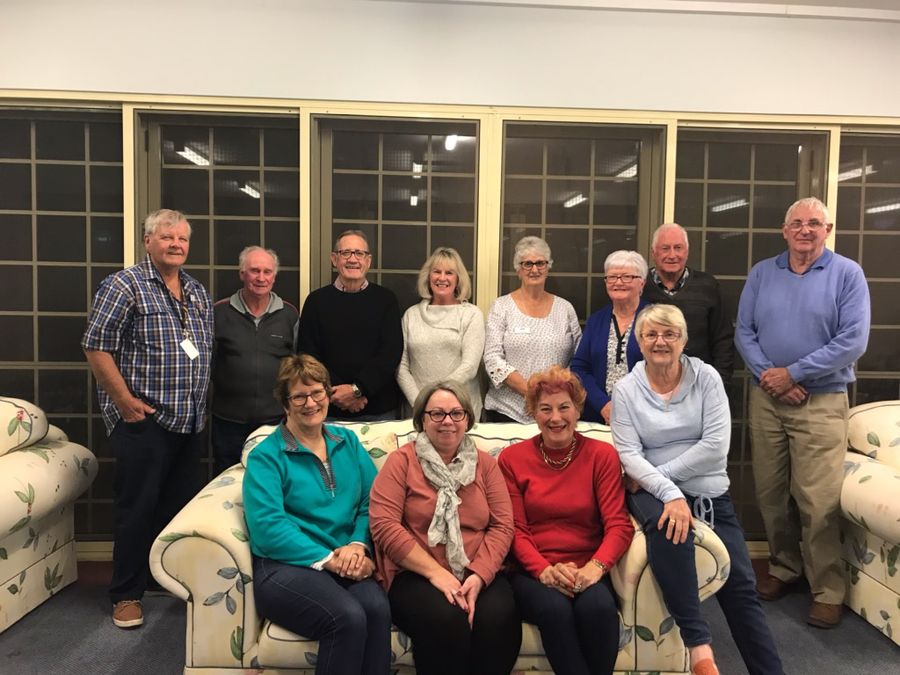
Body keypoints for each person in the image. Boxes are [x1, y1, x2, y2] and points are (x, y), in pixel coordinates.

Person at [611, 304, 783, 675]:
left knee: (741, 585)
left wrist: (662, 475)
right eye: (651, 334)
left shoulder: (706, 378)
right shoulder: (626, 389)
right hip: (652, 495)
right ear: (639, 342)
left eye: (670, 334)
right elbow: (628, 453)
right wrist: (669, 493)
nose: (660, 341)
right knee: (672, 530)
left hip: (706, 492)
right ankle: (700, 649)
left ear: (683, 340)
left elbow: (715, 446)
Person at [735, 196, 870, 629]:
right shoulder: (762, 273)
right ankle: (782, 568)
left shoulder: (847, 274)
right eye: (798, 223)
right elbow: (744, 331)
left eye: (815, 223)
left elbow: (853, 341)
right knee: (771, 494)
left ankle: (827, 589)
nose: (805, 230)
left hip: (822, 400)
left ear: (828, 230)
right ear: (784, 229)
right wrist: (769, 376)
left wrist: (793, 373)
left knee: (818, 501)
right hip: (767, 398)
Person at [82, 208, 213, 629]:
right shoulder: (124, 285)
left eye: (183, 239)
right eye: (167, 237)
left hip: (189, 422)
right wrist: (123, 401)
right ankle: (126, 594)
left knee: (177, 509)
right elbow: (96, 346)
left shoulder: (195, 290)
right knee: (136, 507)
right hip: (144, 420)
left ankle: (165, 581)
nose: (176, 245)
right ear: (148, 241)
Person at [242, 354, 391, 675]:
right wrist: (328, 559)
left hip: (347, 556)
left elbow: (373, 502)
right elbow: (269, 527)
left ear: (328, 394)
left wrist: (357, 545)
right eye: (299, 396)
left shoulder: (347, 441)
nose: (310, 403)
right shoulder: (266, 457)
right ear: (285, 403)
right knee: (347, 617)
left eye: (317, 393)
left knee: (377, 609)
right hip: (285, 567)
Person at [369, 382, 521, 675]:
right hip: (415, 574)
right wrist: (437, 573)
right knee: (447, 619)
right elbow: (384, 525)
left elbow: (502, 526)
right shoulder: (401, 462)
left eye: (456, 413)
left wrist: (478, 577)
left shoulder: (486, 465)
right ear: (422, 420)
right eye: (437, 414)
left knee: (497, 618)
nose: (447, 421)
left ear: (467, 418)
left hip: (477, 569)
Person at [498, 365, 633, 675]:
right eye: (545, 408)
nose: (555, 417)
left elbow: (618, 524)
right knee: (554, 609)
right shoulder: (512, 459)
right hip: (533, 571)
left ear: (578, 409)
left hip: (586, 565)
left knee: (598, 608)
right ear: (533, 412)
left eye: (564, 407)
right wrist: (543, 570)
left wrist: (594, 568)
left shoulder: (602, 455)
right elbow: (515, 530)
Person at [297, 229, 403, 421]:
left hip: (379, 410)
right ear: (334, 259)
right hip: (328, 408)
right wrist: (339, 393)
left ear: (368, 261)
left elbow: (391, 352)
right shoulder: (316, 301)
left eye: (359, 253)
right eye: (345, 253)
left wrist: (358, 389)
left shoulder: (386, 300)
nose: (353, 259)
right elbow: (308, 355)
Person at [211, 246, 298, 474]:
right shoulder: (219, 313)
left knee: (275, 478)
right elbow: (205, 366)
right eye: (254, 271)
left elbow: (299, 368)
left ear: (274, 276)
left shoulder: (290, 315)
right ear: (242, 274)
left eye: (267, 272)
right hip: (228, 421)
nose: (261, 278)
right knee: (226, 481)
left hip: (276, 422)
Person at [483, 236, 581, 423]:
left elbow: (579, 358)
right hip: (507, 411)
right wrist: (532, 394)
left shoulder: (565, 308)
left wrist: (551, 397)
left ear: (548, 267)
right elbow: (492, 358)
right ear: (518, 270)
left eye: (540, 263)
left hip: (556, 413)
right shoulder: (501, 307)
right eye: (527, 264)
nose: (534, 269)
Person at [396, 247, 485, 420]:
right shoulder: (411, 315)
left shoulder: (471, 314)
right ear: (428, 277)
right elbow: (401, 367)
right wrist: (420, 404)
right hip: (417, 411)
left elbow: (469, 367)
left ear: (458, 279)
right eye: (437, 271)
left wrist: (436, 402)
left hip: (459, 411)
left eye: (449, 273)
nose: (442, 278)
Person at [642, 223, 734, 387]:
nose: (672, 255)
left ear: (687, 251)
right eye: (665, 248)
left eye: (678, 248)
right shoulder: (641, 287)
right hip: (649, 386)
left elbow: (723, 341)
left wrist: (718, 383)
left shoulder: (708, 286)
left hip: (699, 385)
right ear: (653, 252)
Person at [571, 250, 648, 423]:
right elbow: (579, 368)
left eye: (627, 277)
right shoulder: (597, 320)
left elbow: (663, 369)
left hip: (644, 416)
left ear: (642, 283)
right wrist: (603, 404)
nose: (618, 283)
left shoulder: (655, 318)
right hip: (599, 416)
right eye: (612, 277)